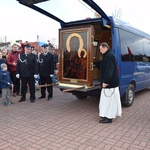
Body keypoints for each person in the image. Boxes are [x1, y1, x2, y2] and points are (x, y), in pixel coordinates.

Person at [98, 42, 122, 123]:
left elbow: (109, 70)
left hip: (110, 84)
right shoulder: (107, 55)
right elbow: (102, 64)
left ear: (105, 48)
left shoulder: (109, 56)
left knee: (110, 103)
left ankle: (109, 118)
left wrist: (105, 81)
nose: (100, 51)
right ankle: (105, 116)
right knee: (106, 102)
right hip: (109, 84)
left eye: (101, 49)